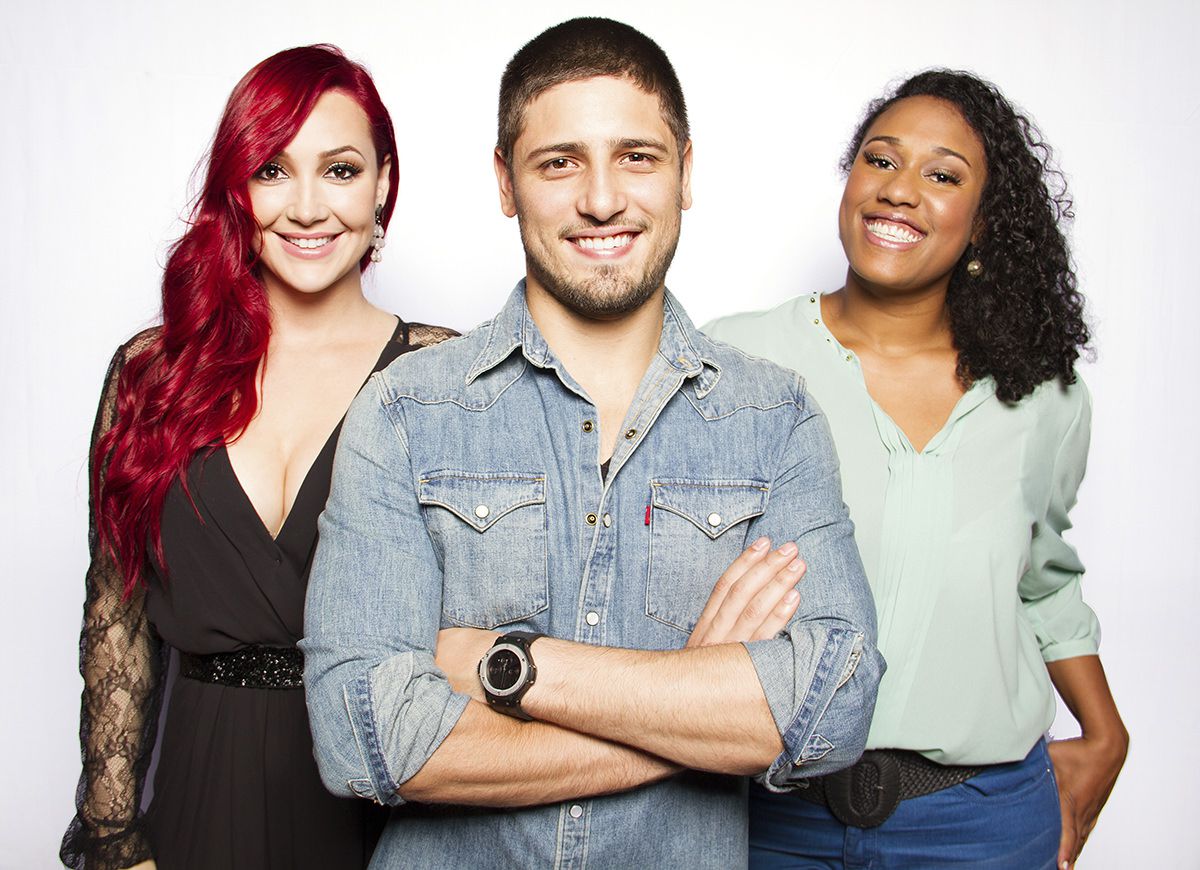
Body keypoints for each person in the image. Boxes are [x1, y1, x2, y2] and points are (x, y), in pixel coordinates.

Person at [302, 16, 883, 869]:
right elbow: (366, 739)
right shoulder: (404, 412)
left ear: (686, 170)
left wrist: (511, 666)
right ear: (506, 182)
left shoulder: (774, 418)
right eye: (559, 162)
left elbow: (831, 707)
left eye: (637, 157)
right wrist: (693, 706)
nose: (603, 199)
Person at [703, 70, 1127, 869]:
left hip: (980, 826)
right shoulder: (734, 360)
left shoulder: (1044, 395)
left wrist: (1105, 734)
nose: (899, 190)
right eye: (881, 159)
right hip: (767, 815)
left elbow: (1046, 584)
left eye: (943, 176)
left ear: (984, 221)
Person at [61, 45, 456, 870]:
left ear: (383, 184)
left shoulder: (443, 377)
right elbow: (117, 613)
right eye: (273, 171)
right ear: (238, 190)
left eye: (340, 170)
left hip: (390, 810)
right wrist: (113, 838)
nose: (307, 208)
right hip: (200, 798)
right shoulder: (153, 374)